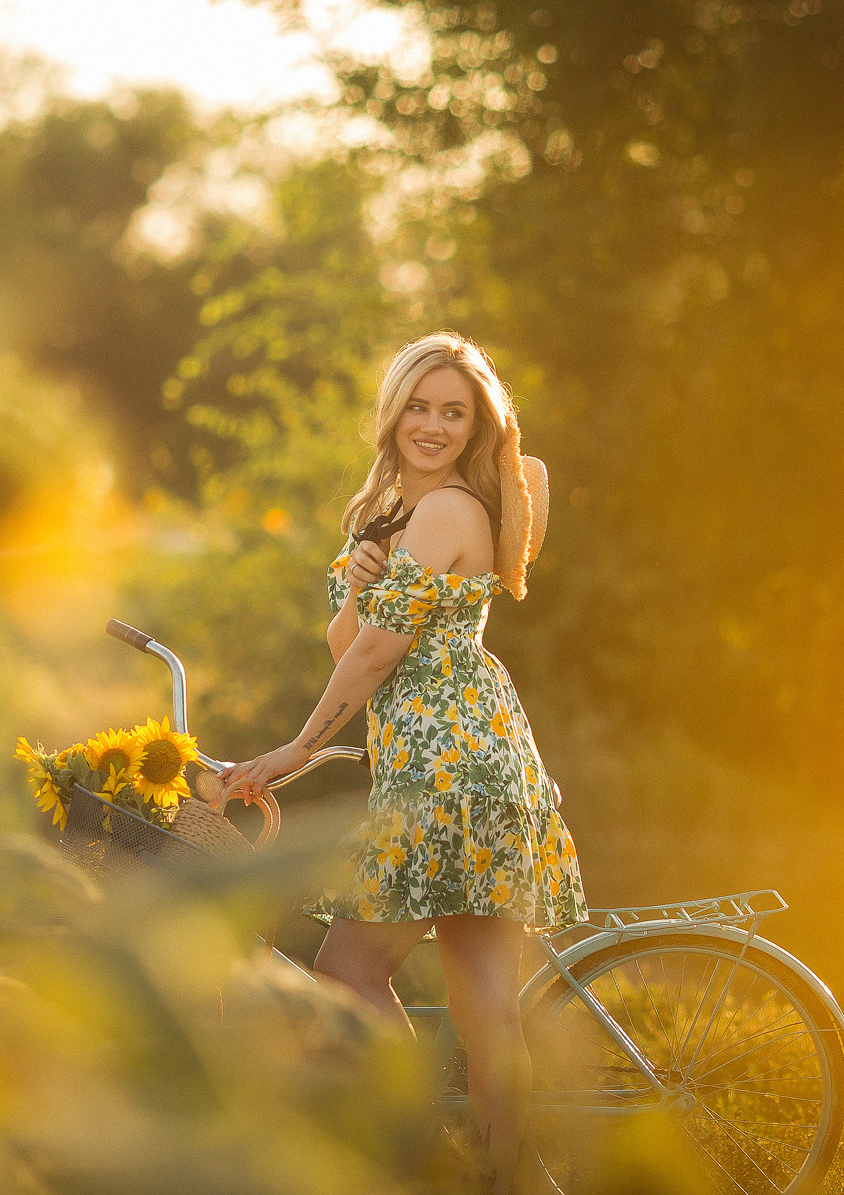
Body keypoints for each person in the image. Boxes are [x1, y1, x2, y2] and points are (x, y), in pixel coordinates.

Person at [222, 331, 586, 1193]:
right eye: (418, 406)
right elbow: (348, 637)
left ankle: (416, 1155)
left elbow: (381, 654)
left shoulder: (450, 508)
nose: (432, 424)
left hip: (450, 764)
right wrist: (357, 582)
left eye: (453, 412)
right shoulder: (394, 511)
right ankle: (503, 1179)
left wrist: (298, 747)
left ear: (474, 426)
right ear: (392, 412)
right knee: (481, 1000)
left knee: (350, 970)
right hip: (457, 756)